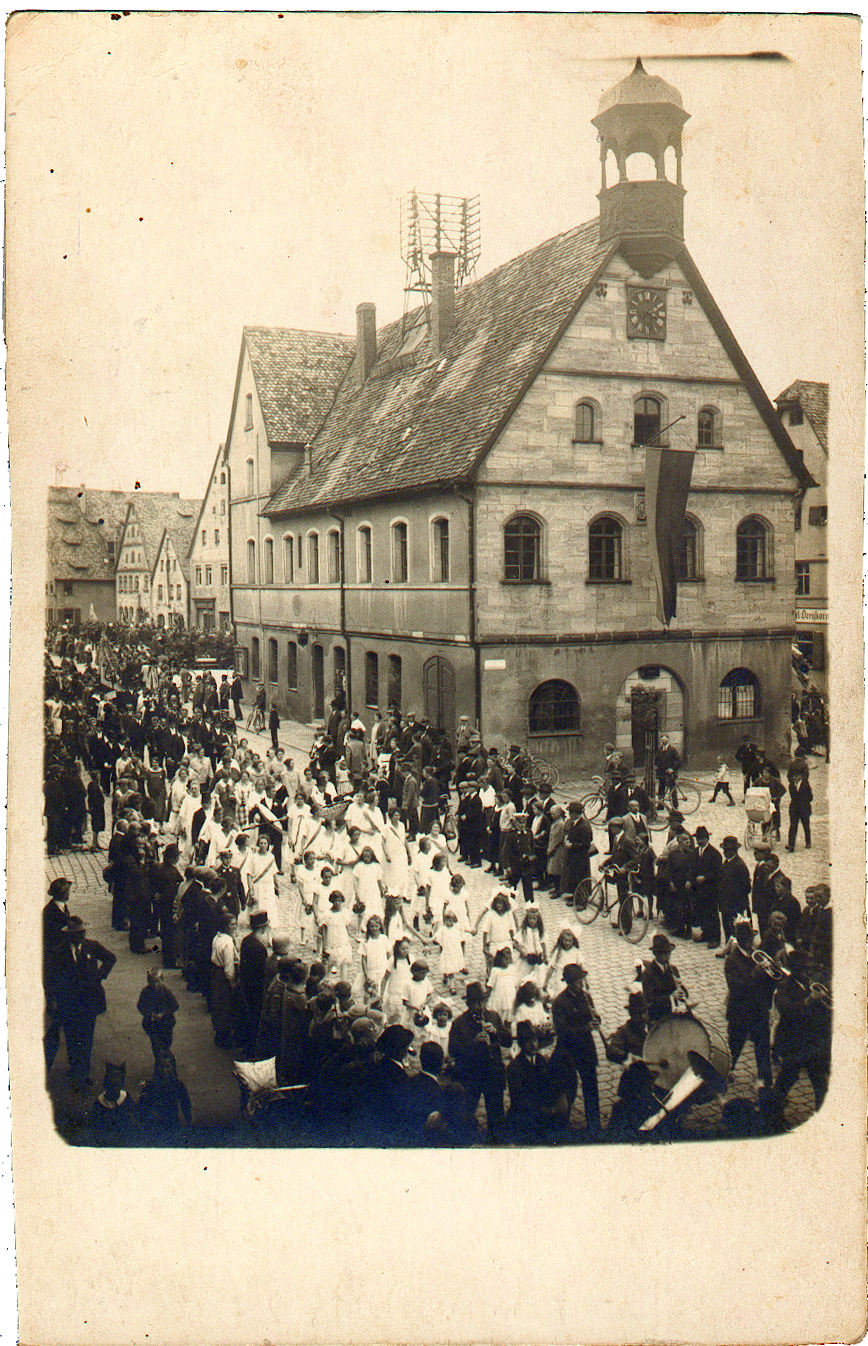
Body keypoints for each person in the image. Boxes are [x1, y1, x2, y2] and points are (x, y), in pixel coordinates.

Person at [53, 916, 117, 1091]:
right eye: (76, 934)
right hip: (69, 1005)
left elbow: (111, 958)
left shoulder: (92, 946)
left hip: (89, 1003)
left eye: (82, 933)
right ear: (69, 935)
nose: (80, 936)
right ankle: (75, 1073)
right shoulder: (59, 952)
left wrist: (99, 975)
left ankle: (84, 1074)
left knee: (87, 1039)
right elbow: (53, 977)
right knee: (72, 1039)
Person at [448, 982, 510, 1142]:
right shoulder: (459, 1023)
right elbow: (453, 1050)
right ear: (468, 1004)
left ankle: (496, 1140)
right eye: (477, 1003)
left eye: (483, 1001)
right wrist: (473, 1042)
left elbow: (508, 1041)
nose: (481, 1006)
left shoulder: (494, 1017)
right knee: (467, 1110)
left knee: (496, 1113)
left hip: (493, 1074)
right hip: (471, 1075)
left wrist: (496, 1032)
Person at [550, 963, 600, 1138]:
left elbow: (595, 1019)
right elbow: (563, 1032)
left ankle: (594, 1126)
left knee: (591, 1088)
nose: (580, 984)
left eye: (581, 980)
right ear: (569, 983)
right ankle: (563, 1127)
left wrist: (596, 1018)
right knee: (568, 1089)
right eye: (577, 981)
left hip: (586, 1050)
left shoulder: (586, 997)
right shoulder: (559, 1003)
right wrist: (586, 1028)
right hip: (568, 1052)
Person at [724, 920, 773, 1090]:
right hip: (740, 1012)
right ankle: (726, 1071)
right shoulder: (731, 960)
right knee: (734, 1046)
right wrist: (755, 973)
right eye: (750, 938)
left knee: (763, 1048)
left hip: (758, 1011)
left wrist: (772, 971)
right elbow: (736, 988)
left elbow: (767, 982)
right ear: (744, 940)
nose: (752, 941)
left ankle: (766, 1084)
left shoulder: (756, 954)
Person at [239, 910, 271, 1056]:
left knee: (248, 1016)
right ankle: (252, 1050)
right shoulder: (260, 948)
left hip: (246, 985)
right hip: (256, 989)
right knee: (255, 1019)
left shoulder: (246, 941)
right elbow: (262, 973)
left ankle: (247, 1045)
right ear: (263, 927)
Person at [641, 933, 688, 1022]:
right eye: (664, 954)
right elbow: (650, 1000)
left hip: (673, 1015)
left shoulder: (673, 969)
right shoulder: (648, 974)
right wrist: (671, 997)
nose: (668, 957)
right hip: (657, 1018)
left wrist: (682, 991)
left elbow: (682, 994)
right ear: (656, 954)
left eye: (669, 953)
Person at [716, 836, 752, 950]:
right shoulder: (726, 862)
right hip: (725, 903)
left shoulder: (739, 865)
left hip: (735, 904)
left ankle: (735, 950)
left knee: (734, 929)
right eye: (725, 850)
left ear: (734, 851)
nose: (725, 852)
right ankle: (728, 948)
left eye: (728, 850)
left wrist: (734, 897)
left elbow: (746, 887)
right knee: (727, 927)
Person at [692, 825, 722, 948]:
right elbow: (691, 868)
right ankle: (705, 933)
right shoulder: (695, 852)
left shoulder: (715, 854)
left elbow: (717, 872)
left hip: (710, 889)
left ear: (707, 839)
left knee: (712, 913)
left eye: (702, 839)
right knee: (701, 912)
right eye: (698, 838)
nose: (700, 841)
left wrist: (705, 877)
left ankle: (715, 938)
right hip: (698, 890)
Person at [785, 762, 813, 852]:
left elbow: (810, 797)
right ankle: (791, 845)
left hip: (804, 808)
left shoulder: (806, 785)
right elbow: (793, 797)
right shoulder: (791, 786)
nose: (795, 778)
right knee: (793, 826)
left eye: (796, 776)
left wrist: (804, 803)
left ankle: (808, 842)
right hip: (794, 809)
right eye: (793, 777)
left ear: (800, 776)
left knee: (806, 826)